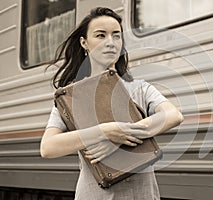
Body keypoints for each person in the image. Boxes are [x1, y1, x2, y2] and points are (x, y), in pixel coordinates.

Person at [40, 7, 183, 200]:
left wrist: (119, 138)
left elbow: (174, 115)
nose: (110, 42)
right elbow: (48, 147)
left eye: (116, 36)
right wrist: (104, 132)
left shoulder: (139, 88)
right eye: (100, 35)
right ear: (84, 43)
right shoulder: (71, 97)